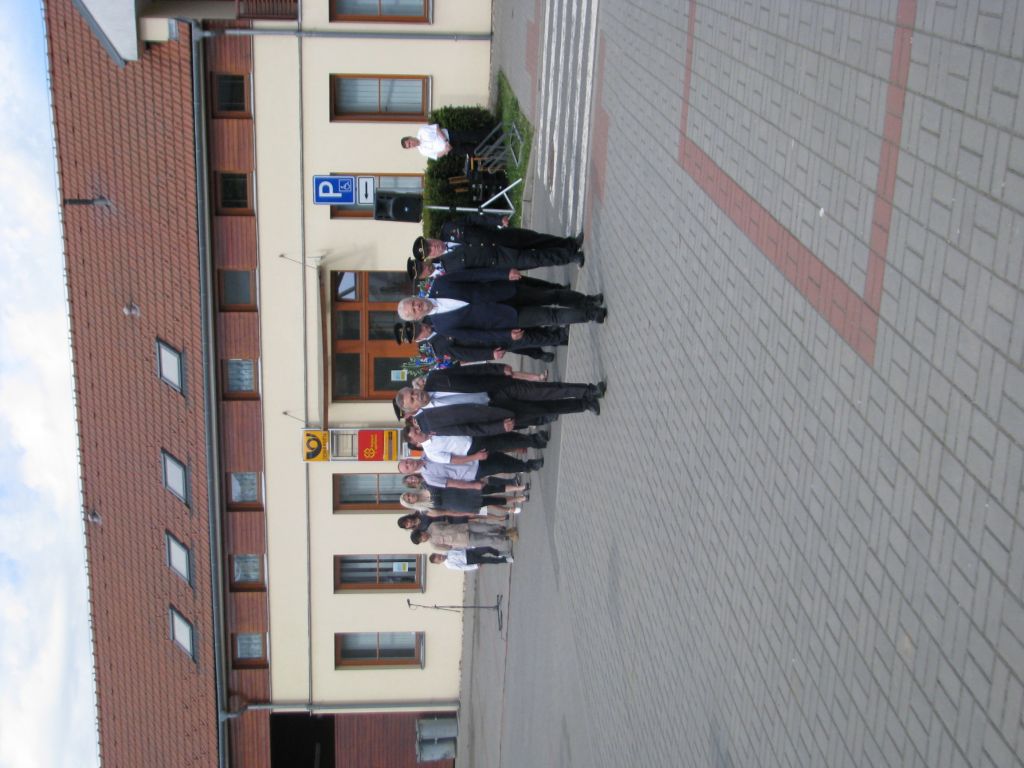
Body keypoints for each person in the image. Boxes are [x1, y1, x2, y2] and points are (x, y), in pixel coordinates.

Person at [396, 272, 606, 344]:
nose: (417, 306)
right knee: (551, 316)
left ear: (416, 297)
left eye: (413, 303)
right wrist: (506, 335)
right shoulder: (443, 327)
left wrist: (503, 274)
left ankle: (587, 301)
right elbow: (477, 335)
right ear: (417, 318)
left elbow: (475, 275)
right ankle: (591, 314)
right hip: (505, 318)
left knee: (551, 295)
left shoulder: (440, 284)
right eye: (414, 311)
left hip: (505, 291)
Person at [396, 384, 603, 436]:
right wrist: (498, 427)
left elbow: (470, 373)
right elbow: (467, 429)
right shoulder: (434, 423)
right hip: (496, 412)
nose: (416, 396)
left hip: (496, 390)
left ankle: (588, 390)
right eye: (412, 400)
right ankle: (584, 404)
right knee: (543, 409)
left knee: (544, 391)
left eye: (412, 392)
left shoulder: (435, 379)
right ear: (412, 409)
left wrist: (498, 371)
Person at [409, 218, 584, 274]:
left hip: (501, 237)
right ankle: (571, 257)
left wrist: (496, 220)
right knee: (536, 258)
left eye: (430, 243)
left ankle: (570, 244)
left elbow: (475, 220)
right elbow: (477, 274)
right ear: (430, 258)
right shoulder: (448, 266)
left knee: (537, 239)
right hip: (500, 260)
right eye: (430, 251)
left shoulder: (448, 228)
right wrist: (504, 275)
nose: (434, 247)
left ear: (430, 238)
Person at [397, 320, 567, 364]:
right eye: (419, 332)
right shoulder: (438, 348)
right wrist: (490, 354)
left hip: (486, 323)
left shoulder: (432, 318)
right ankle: (559, 338)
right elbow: (465, 354)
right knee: (522, 341)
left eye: (418, 326)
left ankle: (551, 335)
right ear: (418, 339)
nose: (423, 328)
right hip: (487, 342)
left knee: (521, 328)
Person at [402, 423, 545, 463]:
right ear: (414, 441)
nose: (418, 430)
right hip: (472, 447)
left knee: (502, 432)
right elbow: (453, 460)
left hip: (471, 432)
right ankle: (535, 441)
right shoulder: (431, 452)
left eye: (416, 428)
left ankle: (532, 439)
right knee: (502, 443)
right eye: (415, 433)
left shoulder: (431, 428)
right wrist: (475, 457)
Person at [398, 455, 541, 489]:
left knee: (499, 456)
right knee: (499, 466)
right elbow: (453, 483)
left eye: (407, 462)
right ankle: (528, 466)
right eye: (407, 467)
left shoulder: (428, 453)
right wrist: (472, 485)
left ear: (408, 458)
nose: (409, 464)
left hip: (472, 455)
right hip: (471, 471)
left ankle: (523, 465)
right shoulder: (429, 478)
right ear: (410, 471)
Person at [400, 123, 495, 160]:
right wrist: (445, 150)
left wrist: (445, 141)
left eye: (409, 143)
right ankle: (494, 148)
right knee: (472, 150)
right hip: (450, 149)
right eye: (409, 146)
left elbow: (436, 128)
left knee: (472, 136)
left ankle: (494, 135)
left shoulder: (422, 131)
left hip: (450, 136)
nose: (411, 145)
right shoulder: (422, 151)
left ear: (410, 137)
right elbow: (436, 155)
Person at [411, 523, 517, 551]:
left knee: (486, 528)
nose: (423, 537)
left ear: (421, 532)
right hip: (465, 540)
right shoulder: (434, 545)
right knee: (488, 540)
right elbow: (448, 548)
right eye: (421, 540)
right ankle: (508, 537)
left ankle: (506, 531)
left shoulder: (432, 526)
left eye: (421, 535)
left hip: (464, 527)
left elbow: (445, 523)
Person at [430, 549, 513, 570]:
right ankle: (506, 560)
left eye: (439, 555)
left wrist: (471, 548)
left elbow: (459, 549)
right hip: (469, 560)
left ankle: (501, 554)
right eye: (439, 559)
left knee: (487, 549)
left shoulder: (446, 552)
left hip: (469, 552)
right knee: (489, 559)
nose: (441, 557)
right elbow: (462, 567)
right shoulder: (449, 565)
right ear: (439, 563)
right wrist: (475, 566)